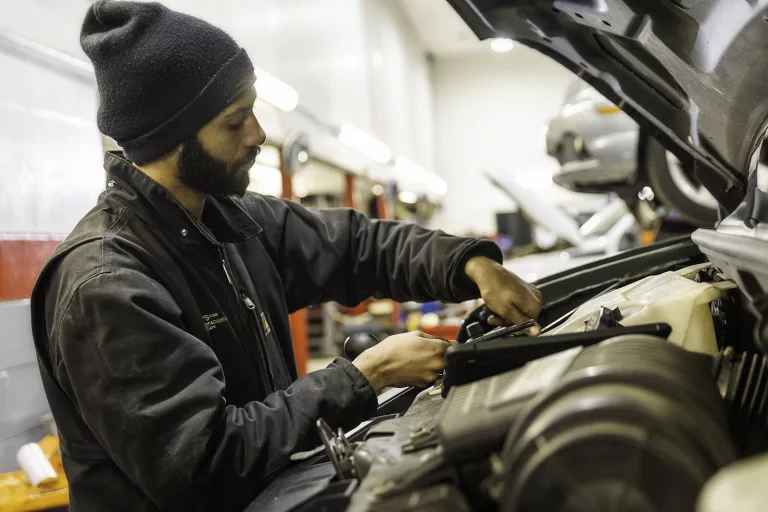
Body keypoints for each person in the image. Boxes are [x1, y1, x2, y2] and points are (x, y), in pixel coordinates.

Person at [30, 2, 542, 511]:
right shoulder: (105, 282)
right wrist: (365, 376)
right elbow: (201, 464)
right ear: (171, 136)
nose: (257, 135)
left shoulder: (233, 222)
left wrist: (470, 265)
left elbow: (357, 248)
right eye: (235, 122)